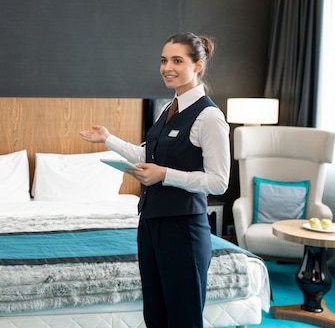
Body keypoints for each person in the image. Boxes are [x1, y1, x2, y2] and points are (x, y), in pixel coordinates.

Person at [80, 32, 230, 328]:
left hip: (183, 227)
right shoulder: (169, 109)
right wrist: (108, 139)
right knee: (156, 315)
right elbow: (148, 154)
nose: (167, 68)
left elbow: (219, 182)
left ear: (198, 65)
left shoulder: (209, 117)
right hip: (151, 223)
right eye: (163, 61)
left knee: (183, 318)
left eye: (177, 60)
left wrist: (165, 175)